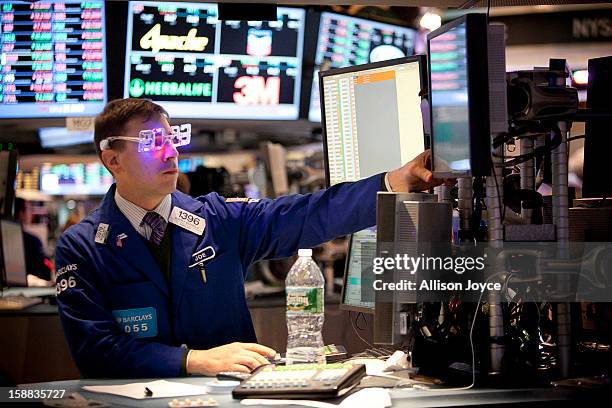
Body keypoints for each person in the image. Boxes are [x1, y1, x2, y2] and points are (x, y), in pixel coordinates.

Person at [55, 98, 445, 378]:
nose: (171, 152)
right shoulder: (83, 246)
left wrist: (394, 182)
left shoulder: (218, 220)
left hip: (233, 400)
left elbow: (308, 215)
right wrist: (191, 361)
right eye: (153, 142)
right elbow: (95, 350)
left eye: (174, 138)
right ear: (113, 160)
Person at [14, 198, 53, 282]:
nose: (32, 213)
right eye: (29, 209)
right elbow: (45, 268)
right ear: (21, 213)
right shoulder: (32, 240)